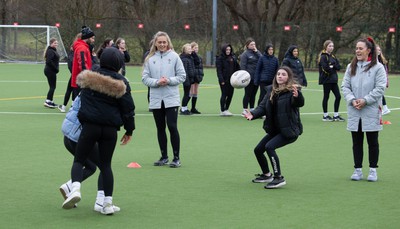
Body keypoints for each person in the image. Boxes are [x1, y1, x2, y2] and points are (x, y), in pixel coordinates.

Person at [62, 48, 136, 215]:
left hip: (90, 127)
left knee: (79, 161)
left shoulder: (89, 77)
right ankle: (107, 203)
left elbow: (81, 102)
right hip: (110, 130)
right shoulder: (122, 83)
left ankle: (75, 189)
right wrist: (129, 130)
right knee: (106, 165)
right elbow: (128, 109)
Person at [244, 66, 304, 189]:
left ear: (288, 78)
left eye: (283, 74)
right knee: (258, 150)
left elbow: (299, 103)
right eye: (278, 74)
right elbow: (262, 107)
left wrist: (298, 96)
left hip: (289, 131)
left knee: (269, 147)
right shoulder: (271, 91)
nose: (280, 76)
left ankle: (278, 178)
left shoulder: (292, 91)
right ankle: (267, 175)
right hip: (276, 130)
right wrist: (253, 114)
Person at [59, 95, 120, 213]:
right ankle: (101, 203)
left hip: (68, 135)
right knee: (104, 165)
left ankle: (69, 187)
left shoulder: (87, 88)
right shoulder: (94, 92)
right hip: (79, 136)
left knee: (91, 167)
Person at [341, 37, 386, 182]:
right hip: (354, 109)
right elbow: (345, 86)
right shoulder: (350, 67)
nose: (357, 51)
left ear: (369, 50)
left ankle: (373, 170)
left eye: (360, 48)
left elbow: (380, 88)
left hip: (371, 109)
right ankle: (357, 169)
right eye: (356, 48)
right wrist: (352, 100)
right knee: (356, 141)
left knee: (373, 141)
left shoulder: (378, 68)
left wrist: (365, 100)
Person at [142, 31, 186, 168]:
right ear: (155, 43)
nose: (162, 44)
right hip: (156, 98)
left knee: (172, 127)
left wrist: (168, 80)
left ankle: (176, 158)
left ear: (168, 43)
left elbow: (182, 76)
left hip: (171, 98)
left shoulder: (174, 57)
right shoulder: (150, 58)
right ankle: (164, 156)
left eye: (164, 42)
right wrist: (156, 82)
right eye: (159, 42)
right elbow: (145, 78)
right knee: (160, 128)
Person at [318, 40, 344, 122]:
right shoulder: (323, 57)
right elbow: (326, 68)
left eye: (332, 46)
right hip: (327, 80)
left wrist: (332, 66)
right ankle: (325, 116)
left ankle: (336, 115)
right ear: (326, 47)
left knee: (338, 96)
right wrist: (332, 67)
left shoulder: (333, 56)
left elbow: (338, 67)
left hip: (333, 80)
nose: (331, 47)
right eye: (330, 46)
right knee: (326, 97)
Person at [58, 33, 81, 113]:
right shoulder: (74, 54)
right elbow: (71, 66)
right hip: (75, 75)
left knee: (72, 91)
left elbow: (71, 66)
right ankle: (66, 106)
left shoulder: (74, 53)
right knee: (72, 90)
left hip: (75, 75)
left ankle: (67, 106)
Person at [71, 26, 95, 100]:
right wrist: (87, 78)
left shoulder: (83, 47)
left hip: (80, 80)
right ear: (87, 38)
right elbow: (82, 64)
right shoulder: (82, 48)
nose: (93, 40)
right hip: (81, 82)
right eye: (92, 38)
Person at [216, 43, 240, 116]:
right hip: (224, 80)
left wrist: (240, 75)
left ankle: (226, 109)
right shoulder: (220, 58)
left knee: (230, 95)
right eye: (227, 49)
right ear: (224, 50)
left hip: (232, 80)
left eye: (229, 49)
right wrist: (221, 80)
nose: (228, 51)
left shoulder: (233, 57)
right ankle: (222, 110)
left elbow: (237, 68)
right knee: (224, 94)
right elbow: (219, 71)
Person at [240, 38, 262, 116]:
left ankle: (252, 108)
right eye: (251, 44)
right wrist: (244, 76)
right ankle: (245, 109)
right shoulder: (245, 54)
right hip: (248, 78)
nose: (253, 46)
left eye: (254, 44)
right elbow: (243, 66)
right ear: (247, 45)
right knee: (248, 93)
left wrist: (257, 52)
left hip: (256, 77)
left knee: (254, 94)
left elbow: (262, 59)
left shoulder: (257, 53)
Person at [43, 38, 60, 108]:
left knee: (52, 86)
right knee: (52, 87)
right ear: (51, 44)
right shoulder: (50, 51)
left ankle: (50, 101)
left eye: (56, 43)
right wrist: (55, 69)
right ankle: (48, 101)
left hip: (51, 70)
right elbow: (48, 61)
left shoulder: (53, 50)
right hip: (50, 71)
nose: (56, 44)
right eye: (54, 43)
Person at [180, 43, 196, 115]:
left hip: (190, 79)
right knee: (187, 94)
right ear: (185, 50)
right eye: (189, 49)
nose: (190, 50)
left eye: (191, 49)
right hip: (187, 79)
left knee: (188, 94)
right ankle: (183, 109)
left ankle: (185, 108)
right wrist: (186, 80)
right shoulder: (184, 59)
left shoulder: (190, 57)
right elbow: (185, 71)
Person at [189, 41, 204, 114]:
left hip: (198, 76)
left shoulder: (199, 57)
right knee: (191, 92)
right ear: (191, 48)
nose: (196, 49)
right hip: (192, 76)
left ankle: (193, 108)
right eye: (195, 48)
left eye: (197, 47)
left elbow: (200, 67)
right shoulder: (191, 56)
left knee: (196, 92)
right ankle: (184, 107)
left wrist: (201, 75)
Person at [376, 45, 390, 115]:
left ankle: (384, 108)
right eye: (377, 50)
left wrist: (387, 82)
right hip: (378, 81)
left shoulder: (381, 60)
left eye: (379, 50)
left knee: (380, 94)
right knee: (379, 94)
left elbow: (385, 72)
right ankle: (384, 108)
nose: (378, 51)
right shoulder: (374, 60)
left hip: (381, 81)